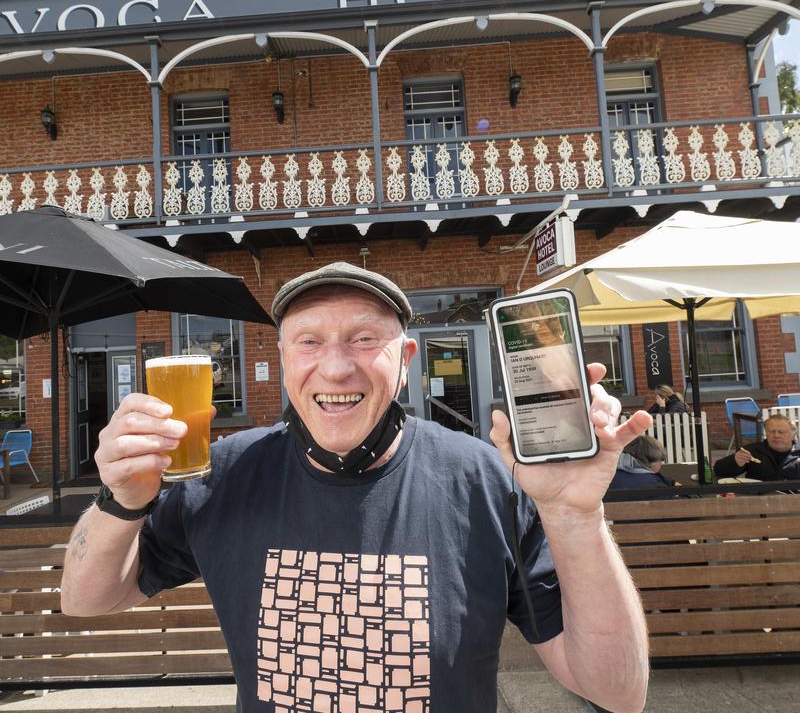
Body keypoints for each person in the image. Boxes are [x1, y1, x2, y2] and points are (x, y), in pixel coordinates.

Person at [60, 262, 650, 712]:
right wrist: (123, 498)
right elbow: (86, 600)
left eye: (364, 339)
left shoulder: (484, 478)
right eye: (310, 341)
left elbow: (617, 692)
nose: (336, 367)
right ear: (285, 358)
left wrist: (575, 517)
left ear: (406, 359)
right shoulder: (225, 474)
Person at [713, 413, 800, 481]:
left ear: (793, 435)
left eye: (781, 432)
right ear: (766, 433)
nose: (776, 435)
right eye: (771, 431)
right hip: (759, 498)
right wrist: (735, 462)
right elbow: (718, 469)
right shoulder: (752, 451)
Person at [606, 434, 676, 500]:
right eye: (661, 460)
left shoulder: (608, 477)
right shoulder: (654, 484)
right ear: (652, 460)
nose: (661, 463)